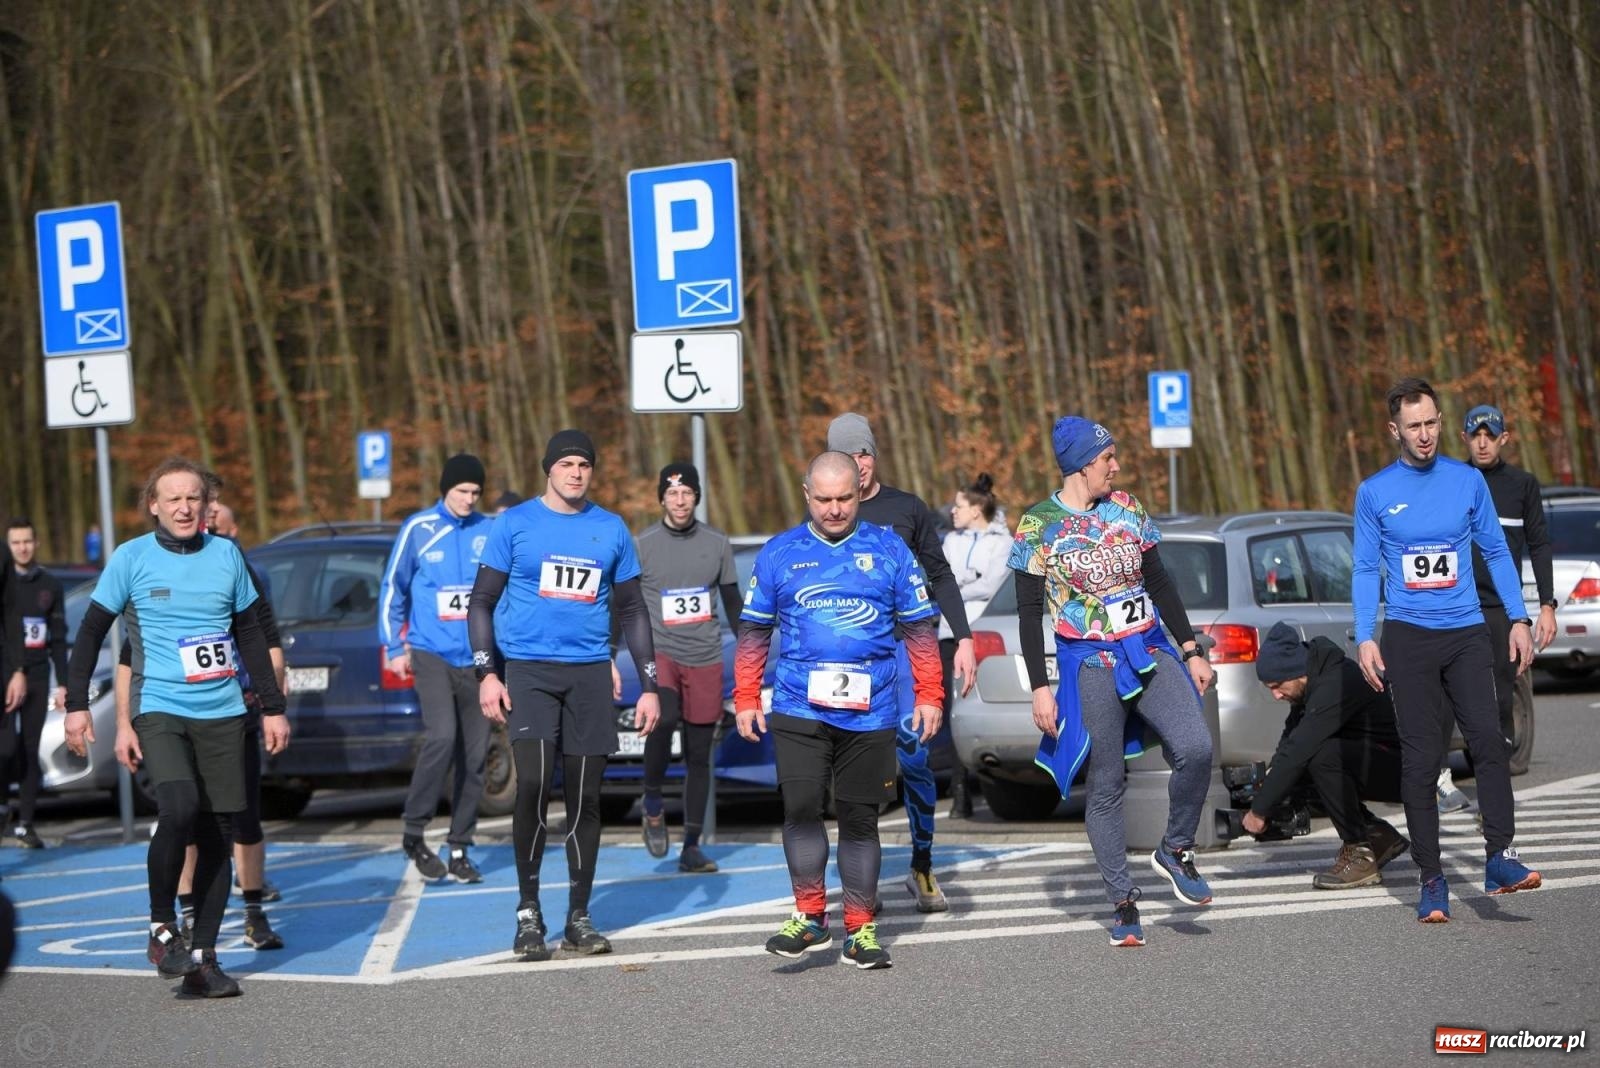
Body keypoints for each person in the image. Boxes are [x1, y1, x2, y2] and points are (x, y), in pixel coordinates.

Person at [63, 458, 288, 998]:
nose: (185, 507)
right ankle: (162, 927)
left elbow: (253, 634)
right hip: (160, 706)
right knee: (180, 807)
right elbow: (93, 632)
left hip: (225, 711)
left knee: (218, 831)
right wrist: (75, 704)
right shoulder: (131, 558)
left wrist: (275, 707)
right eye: (174, 499)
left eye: (194, 498)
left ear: (206, 504)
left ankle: (204, 959)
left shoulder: (226, 555)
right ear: (155, 506)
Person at [1010, 416, 1215, 948]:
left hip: (1148, 646)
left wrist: (1190, 648)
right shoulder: (1037, 526)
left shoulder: (1128, 508)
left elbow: (1159, 580)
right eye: (1107, 458)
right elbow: (1029, 614)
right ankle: (1123, 901)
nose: (1116, 466)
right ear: (1082, 464)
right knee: (1106, 783)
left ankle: (1176, 848)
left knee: (1195, 748)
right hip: (1088, 661)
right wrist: (1040, 686)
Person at [735, 451, 943, 970]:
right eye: (823, 499)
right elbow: (754, 633)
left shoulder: (889, 549)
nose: (834, 509)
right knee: (801, 806)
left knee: (858, 818)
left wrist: (930, 694)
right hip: (797, 704)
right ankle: (809, 916)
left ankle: (860, 929)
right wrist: (744, 697)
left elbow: (920, 630)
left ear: (860, 491)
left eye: (844, 499)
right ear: (806, 493)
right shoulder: (780, 552)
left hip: (870, 710)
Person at [1354, 377, 1542, 924]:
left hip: (1465, 633)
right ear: (1395, 430)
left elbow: (1496, 552)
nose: (1426, 434)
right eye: (1414, 426)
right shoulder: (1375, 492)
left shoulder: (1466, 482)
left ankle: (1500, 858)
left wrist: (1519, 617)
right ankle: (1432, 879)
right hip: (1409, 638)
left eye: (1432, 422)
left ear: (1441, 421)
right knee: (1420, 760)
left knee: (1488, 740)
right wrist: (1366, 634)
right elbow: (1367, 568)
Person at [468, 429, 661, 960]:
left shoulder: (611, 528)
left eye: (584, 464)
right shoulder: (515, 524)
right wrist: (488, 672)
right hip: (528, 671)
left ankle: (579, 914)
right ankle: (528, 914)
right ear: (548, 469)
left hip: (590, 676)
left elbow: (632, 610)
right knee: (531, 784)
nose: (576, 472)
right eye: (566, 463)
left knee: (585, 797)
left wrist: (649, 684)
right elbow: (481, 602)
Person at [115, 499, 289, 950]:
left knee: (241, 817)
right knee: (185, 813)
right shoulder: (156, 570)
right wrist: (124, 722)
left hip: (234, 710)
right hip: (173, 710)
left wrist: (272, 703)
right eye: (207, 521)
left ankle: (253, 910)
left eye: (222, 526)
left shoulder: (241, 569)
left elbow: (267, 639)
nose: (209, 528)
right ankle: (187, 916)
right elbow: (129, 657)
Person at [826, 413, 974, 913]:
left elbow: (941, 576)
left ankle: (922, 864)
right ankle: (861, 880)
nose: (858, 465)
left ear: (874, 456)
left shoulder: (907, 509)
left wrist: (967, 637)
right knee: (855, 761)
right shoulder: (829, 516)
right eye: (847, 457)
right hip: (852, 659)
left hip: (910, 650)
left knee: (914, 755)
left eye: (863, 454)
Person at [380, 453, 494, 883]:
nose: (468, 499)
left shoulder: (489, 530)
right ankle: (414, 830)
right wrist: (394, 644)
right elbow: (394, 587)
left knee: (476, 754)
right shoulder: (419, 528)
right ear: (445, 489)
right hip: (430, 652)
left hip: (479, 658)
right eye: (461, 491)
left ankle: (460, 844)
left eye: (475, 492)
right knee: (442, 737)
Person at [634, 462, 742, 873]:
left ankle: (691, 846)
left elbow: (732, 603)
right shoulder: (643, 544)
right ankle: (653, 802)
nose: (680, 501)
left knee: (700, 754)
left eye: (687, 494)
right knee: (664, 719)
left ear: (696, 497)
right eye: (673, 493)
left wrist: (751, 648)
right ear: (662, 497)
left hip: (705, 656)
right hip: (661, 651)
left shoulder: (716, 542)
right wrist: (609, 654)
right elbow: (622, 604)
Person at [1244, 623, 1409, 888]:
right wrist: (1270, 783)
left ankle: (1360, 854)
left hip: (1405, 769)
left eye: (1277, 685)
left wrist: (1260, 810)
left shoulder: (1337, 681)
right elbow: (1290, 742)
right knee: (1298, 768)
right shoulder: (1313, 684)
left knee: (1320, 754)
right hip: (1377, 761)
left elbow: (1301, 748)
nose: (1275, 695)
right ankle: (1377, 836)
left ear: (1297, 672)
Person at [940, 472, 1011, 817]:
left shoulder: (1002, 542)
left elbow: (992, 584)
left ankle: (990, 786)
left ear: (976, 509)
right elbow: (941, 580)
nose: (952, 511)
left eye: (959, 506)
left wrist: (957, 585)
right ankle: (959, 793)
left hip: (983, 632)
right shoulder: (951, 541)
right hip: (948, 632)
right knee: (955, 709)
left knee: (981, 704)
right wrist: (964, 582)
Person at [1, 518, 68, 848]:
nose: (22, 547)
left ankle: (25, 821)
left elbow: (57, 637)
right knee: (6, 748)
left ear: (36, 543)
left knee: (29, 748)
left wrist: (65, 684)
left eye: (27, 541)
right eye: (16, 542)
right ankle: (3, 810)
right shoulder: (4, 583)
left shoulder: (50, 585)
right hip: (7, 675)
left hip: (39, 676)